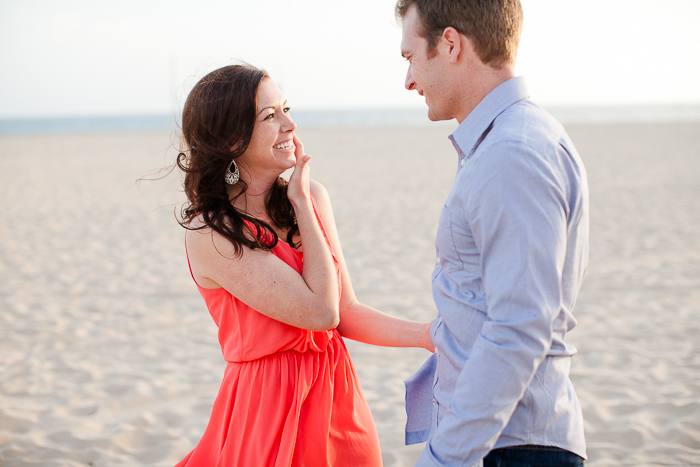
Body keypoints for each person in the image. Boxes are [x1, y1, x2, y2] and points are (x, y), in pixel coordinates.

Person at [173, 64, 434, 467]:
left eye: (286, 108)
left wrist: (428, 335)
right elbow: (321, 311)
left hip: (338, 399)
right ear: (230, 139)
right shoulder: (212, 233)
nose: (289, 124)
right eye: (269, 116)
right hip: (266, 410)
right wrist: (300, 205)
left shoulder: (312, 195)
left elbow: (346, 312)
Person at [395, 1, 589, 466]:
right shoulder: (505, 141)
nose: (408, 80)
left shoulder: (512, 152)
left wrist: (443, 457)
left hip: (508, 449)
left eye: (410, 57)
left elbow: (519, 326)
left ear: (450, 44)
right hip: (500, 444)